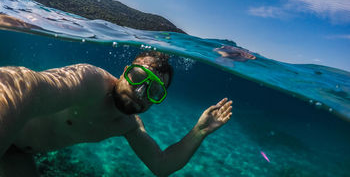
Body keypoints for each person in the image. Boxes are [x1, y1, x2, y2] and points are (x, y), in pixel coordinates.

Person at [0, 50, 233, 177]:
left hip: (17, 154)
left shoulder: (128, 125)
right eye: (138, 78)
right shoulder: (92, 82)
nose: (140, 93)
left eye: (153, 91)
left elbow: (161, 165)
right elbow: (25, 86)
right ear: (125, 72)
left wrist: (199, 130)